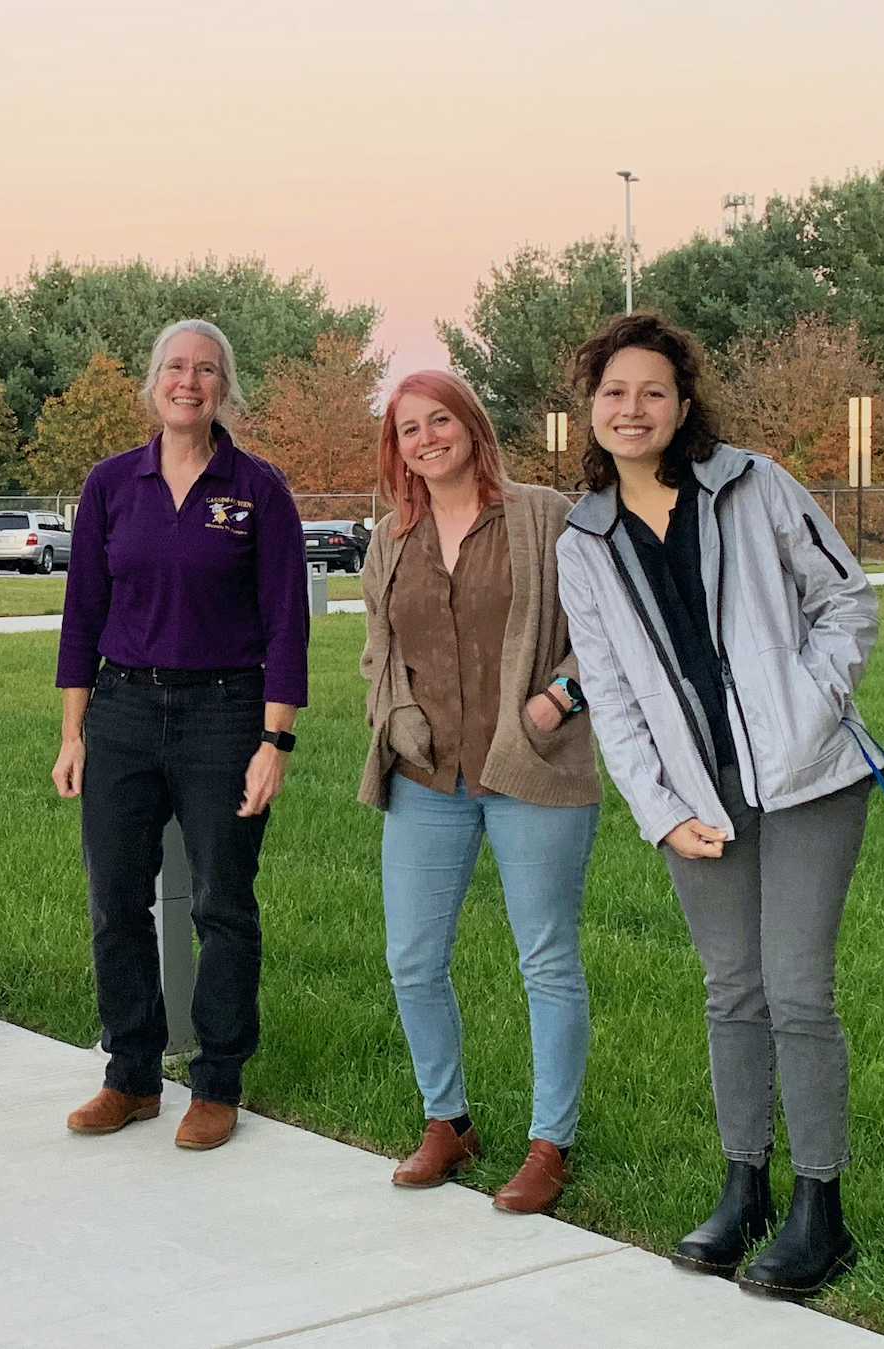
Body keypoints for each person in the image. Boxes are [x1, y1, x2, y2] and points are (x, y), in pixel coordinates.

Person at [557, 313, 884, 1298]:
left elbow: (845, 599)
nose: (632, 407)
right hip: (695, 803)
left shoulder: (752, 485)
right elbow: (609, 697)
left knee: (794, 990)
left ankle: (818, 1208)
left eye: (651, 391)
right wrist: (657, 809)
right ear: (590, 406)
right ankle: (743, 1186)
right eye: (613, 391)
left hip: (807, 781)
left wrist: (806, 705)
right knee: (729, 990)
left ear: (682, 404)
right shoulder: (584, 537)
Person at [53, 319, 308, 1151]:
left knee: (219, 903)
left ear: (222, 386)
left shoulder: (257, 489)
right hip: (123, 710)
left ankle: (215, 1081)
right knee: (114, 899)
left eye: (204, 370)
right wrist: (74, 733)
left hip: (225, 715)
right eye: (174, 367)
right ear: (152, 382)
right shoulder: (109, 484)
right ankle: (129, 1073)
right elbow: (81, 613)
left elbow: (286, 625)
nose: (187, 381)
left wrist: (274, 742)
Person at [356, 371, 601, 1215]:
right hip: (427, 778)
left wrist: (556, 698)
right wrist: (393, 714)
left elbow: (603, 632)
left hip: (530, 766)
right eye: (408, 428)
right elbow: (377, 650)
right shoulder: (391, 537)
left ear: (470, 425)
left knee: (545, 957)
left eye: (439, 420)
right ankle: (446, 1121)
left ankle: (548, 1143)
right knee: (412, 958)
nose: (426, 438)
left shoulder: (544, 516)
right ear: (397, 448)